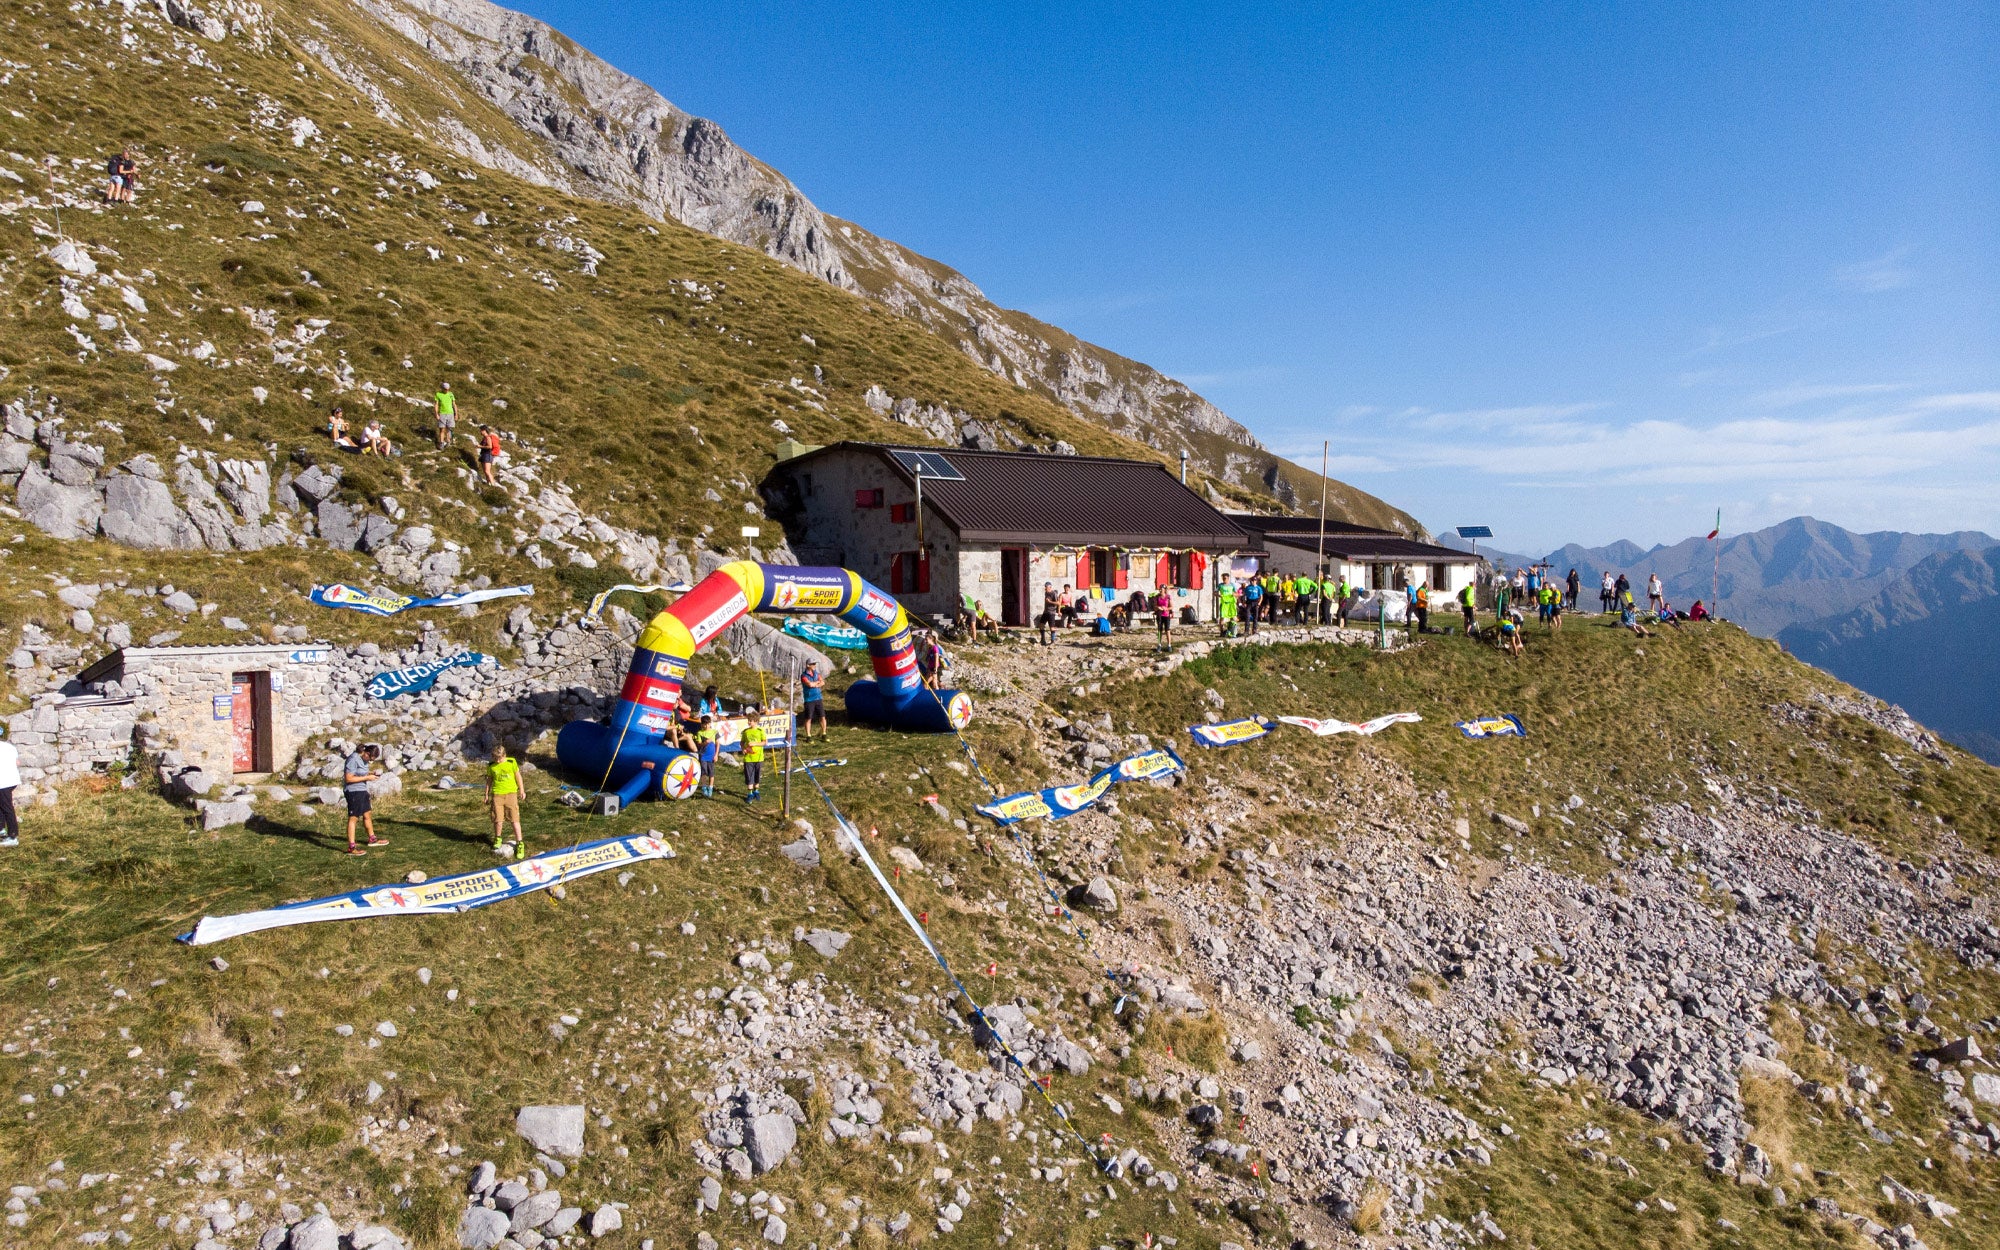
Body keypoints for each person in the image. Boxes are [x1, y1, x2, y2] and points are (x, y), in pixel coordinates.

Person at [343, 744, 388, 855]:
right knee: (353, 818)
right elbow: (348, 778)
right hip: (353, 792)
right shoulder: (353, 759)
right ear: (366, 753)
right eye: (371, 759)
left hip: (362, 790)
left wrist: (370, 773)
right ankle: (351, 848)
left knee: (367, 814)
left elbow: (358, 772)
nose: (370, 761)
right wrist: (367, 778)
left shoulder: (363, 759)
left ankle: (372, 839)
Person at [485, 745, 526, 858]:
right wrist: (486, 794)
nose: (498, 761)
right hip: (497, 794)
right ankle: (498, 838)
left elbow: (518, 777)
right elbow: (489, 780)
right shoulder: (491, 766)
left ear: (504, 755)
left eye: (500, 758)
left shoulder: (511, 762)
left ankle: (520, 844)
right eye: (495, 758)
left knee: (514, 820)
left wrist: (521, 790)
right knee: (498, 819)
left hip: (511, 794)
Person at [739, 706, 768, 803]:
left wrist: (755, 743)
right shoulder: (746, 732)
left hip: (759, 758)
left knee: (757, 775)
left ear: (755, 721)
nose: (748, 722)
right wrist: (743, 749)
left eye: (750, 721)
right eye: (748, 720)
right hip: (748, 758)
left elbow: (764, 742)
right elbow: (742, 742)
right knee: (749, 776)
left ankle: (756, 791)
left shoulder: (760, 731)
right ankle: (750, 793)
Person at [0, 724, 18, 847]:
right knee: (1, 805)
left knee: (7, 808)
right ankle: (1, 829)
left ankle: (13, 836)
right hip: (12, 780)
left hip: (3, 782)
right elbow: (17, 762)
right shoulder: (10, 747)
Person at [800, 661, 826, 738]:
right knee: (808, 718)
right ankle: (808, 736)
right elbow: (809, 684)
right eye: (813, 664)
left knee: (822, 716)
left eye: (815, 664)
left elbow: (823, 683)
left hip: (818, 698)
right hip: (809, 700)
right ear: (808, 665)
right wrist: (817, 683)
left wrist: (815, 683)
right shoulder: (804, 675)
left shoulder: (816, 673)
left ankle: (824, 733)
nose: (815, 665)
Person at [696, 716, 719, 796]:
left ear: (710, 723)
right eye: (704, 724)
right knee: (703, 772)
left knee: (711, 773)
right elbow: (699, 745)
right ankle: (704, 787)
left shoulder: (715, 732)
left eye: (708, 724)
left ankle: (711, 788)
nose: (706, 726)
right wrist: (705, 743)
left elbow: (717, 744)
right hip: (703, 755)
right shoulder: (699, 733)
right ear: (702, 724)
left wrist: (716, 755)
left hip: (711, 756)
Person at [434, 383, 457, 449]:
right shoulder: (438, 394)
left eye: (448, 389)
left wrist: (456, 414)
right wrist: (436, 414)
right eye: (445, 389)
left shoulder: (451, 394)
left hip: (450, 413)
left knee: (449, 429)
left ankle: (448, 442)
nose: (447, 390)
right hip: (442, 413)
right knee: (442, 429)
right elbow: (436, 404)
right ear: (442, 388)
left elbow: (454, 404)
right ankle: (441, 442)